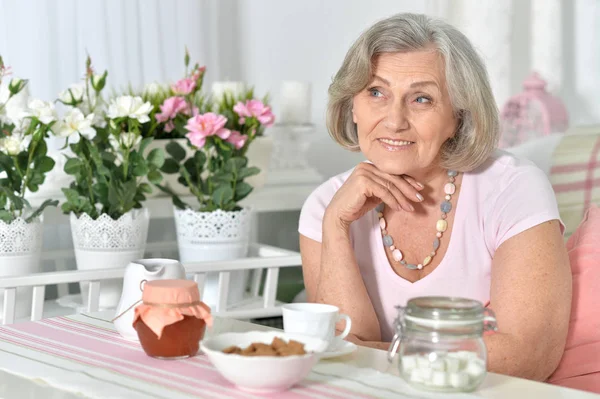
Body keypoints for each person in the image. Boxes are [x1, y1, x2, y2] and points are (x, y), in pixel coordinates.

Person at [298, 13, 571, 381]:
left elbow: (527, 357)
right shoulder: (324, 206)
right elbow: (347, 348)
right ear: (352, 106)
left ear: (459, 115)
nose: (394, 120)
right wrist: (336, 226)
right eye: (376, 92)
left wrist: (377, 354)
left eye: (422, 99)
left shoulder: (513, 188)